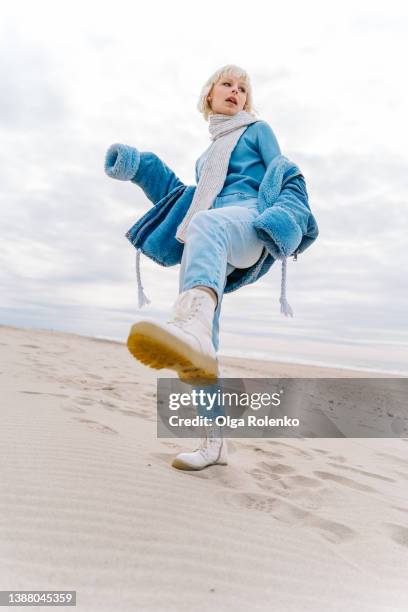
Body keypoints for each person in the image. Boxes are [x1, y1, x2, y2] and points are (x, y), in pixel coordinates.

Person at [104, 64, 315, 471]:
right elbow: (184, 197)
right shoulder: (207, 158)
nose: (236, 92)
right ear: (209, 95)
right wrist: (139, 167)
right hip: (211, 237)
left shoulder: (257, 130)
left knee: (203, 241)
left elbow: (284, 172)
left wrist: (292, 214)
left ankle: (192, 327)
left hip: (249, 220)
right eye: (228, 85)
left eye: (243, 88)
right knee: (199, 352)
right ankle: (213, 444)